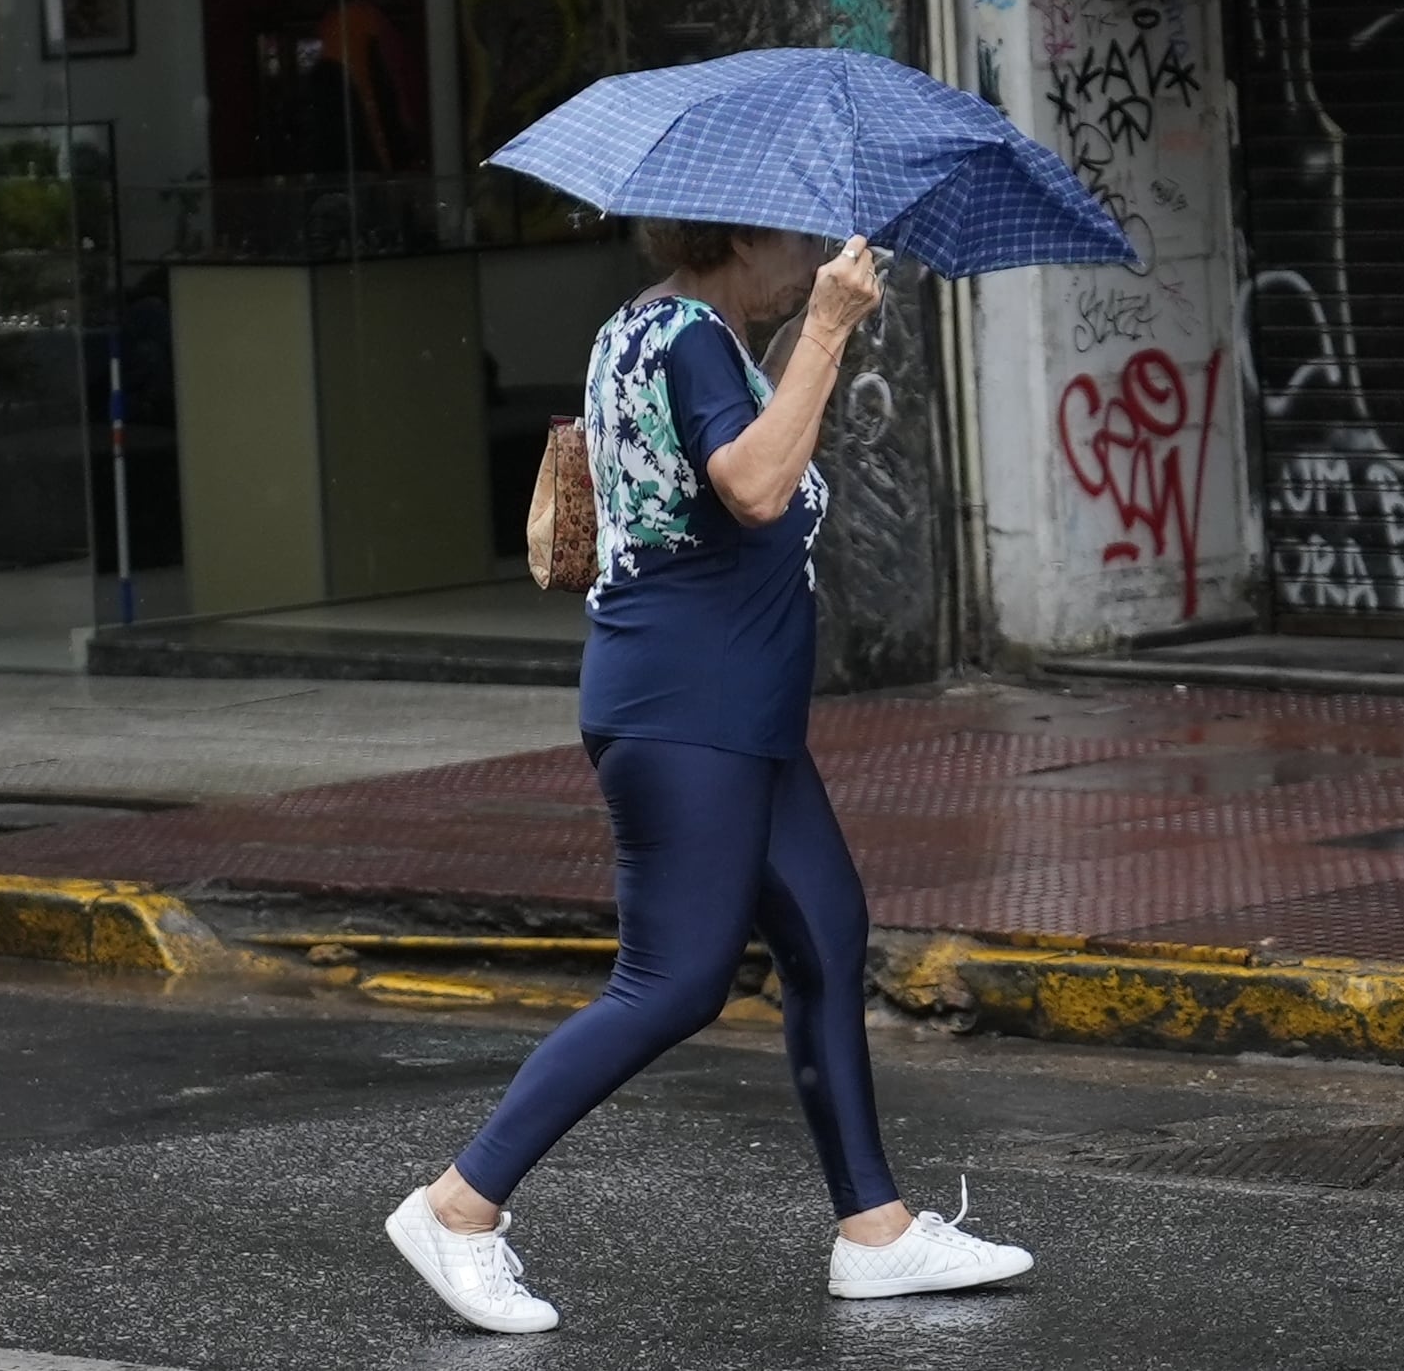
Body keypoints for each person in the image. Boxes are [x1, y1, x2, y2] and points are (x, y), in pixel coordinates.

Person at [384, 226, 1032, 1333]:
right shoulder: (689, 340)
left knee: (826, 935)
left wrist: (806, 338)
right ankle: (458, 1205)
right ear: (734, 235)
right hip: (689, 713)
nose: (818, 259)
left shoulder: (663, 327)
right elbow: (756, 485)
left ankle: (872, 1231)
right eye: (799, 242)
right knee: (674, 981)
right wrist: (829, 329)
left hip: (730, 712)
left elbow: (739, 436)